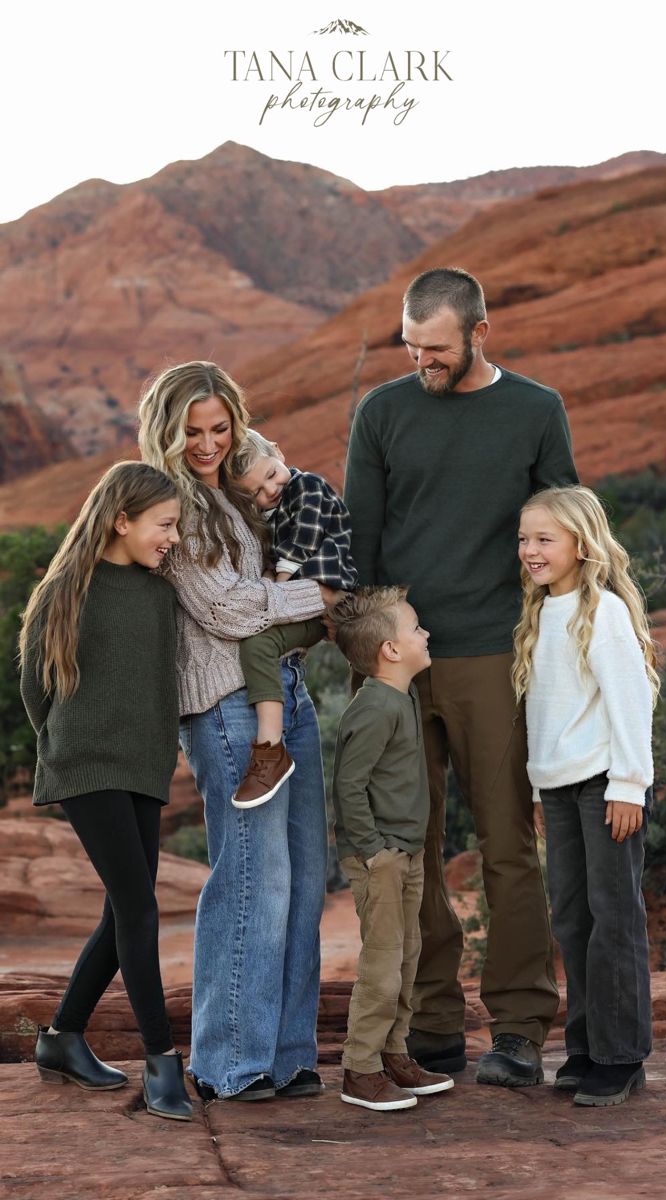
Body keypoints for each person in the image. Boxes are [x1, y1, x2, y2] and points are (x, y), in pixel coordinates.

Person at [344, 266, 578, 1087]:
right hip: (400, 662)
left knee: (507, 844)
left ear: (481, 332)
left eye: (435, 348)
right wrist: (371, 669)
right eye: (409, 346)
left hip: (490, 654)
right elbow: (362, 546)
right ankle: (431, 1024)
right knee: (411, 848)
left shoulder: (535, 410)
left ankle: (517, 1027)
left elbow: (564, 533)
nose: (420, 362)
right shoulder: (381, 412)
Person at [138, 361, 338, 1103]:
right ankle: (230, 1060)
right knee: (257, 876)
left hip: (285, 689)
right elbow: (223, 610)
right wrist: (322, 592)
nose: (207, 443)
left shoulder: (243, 480)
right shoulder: (174, 503)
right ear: (167, 430)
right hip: (224, 704)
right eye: (191, 431)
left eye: (219, 428)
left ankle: (286, 1055)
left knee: (306, 876)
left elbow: (266, 582)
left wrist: (287, 596)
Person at [19, 461, 193, 1122]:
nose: (172, 537)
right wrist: (71, 743)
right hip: (87, 765)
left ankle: (61, 1039)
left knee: (121, 912)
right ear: (123, 520)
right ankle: (162, 1064)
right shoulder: (69, 586)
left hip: (143, 764)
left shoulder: (158, 593)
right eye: (164, 524)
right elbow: (37, 687)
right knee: (140, 906)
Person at [514, 485, 657, 1106]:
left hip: (606, 786)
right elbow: (546, 714)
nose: (531, 550)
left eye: (545, 539)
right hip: (560, 790)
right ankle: (584, 1046)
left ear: (582, 542)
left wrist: (629, 784)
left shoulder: (606, 614)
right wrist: (541, 790)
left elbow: (630, 702)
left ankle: (620, 1056)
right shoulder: (538, 612)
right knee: (573, 919)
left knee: (614, 917)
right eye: (524, 539)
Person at [332, 586, 454, 1111]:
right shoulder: (376, 706)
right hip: (381, 859)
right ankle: (360, 1070)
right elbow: (348, 786)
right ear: (391, 650)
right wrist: (374, 851)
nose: (425, 633)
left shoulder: (400, 696)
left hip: (406, 854)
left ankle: (393, 1056)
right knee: (382, 967)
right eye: (416, 628)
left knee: (406, 958)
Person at [228, 428, 357, 808]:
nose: (270, 490)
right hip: (308, 601)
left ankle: (269, 749)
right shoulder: (266, 513)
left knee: (258, 642)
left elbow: (301, 540)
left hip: (331, 589)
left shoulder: (308, 487)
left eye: (271, 474)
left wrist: (276, 587)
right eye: (254, 492)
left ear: (280, 453)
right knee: (259, 643)